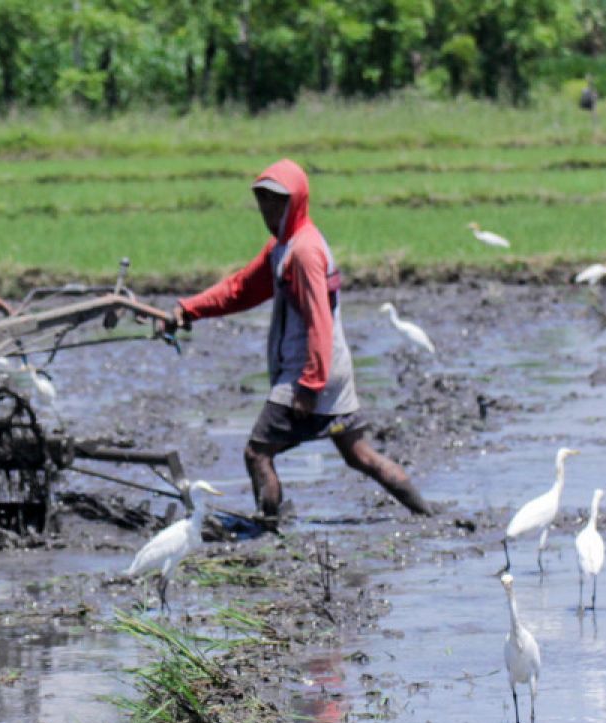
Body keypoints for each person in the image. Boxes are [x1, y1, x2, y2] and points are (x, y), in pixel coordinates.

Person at [170, 159, 432, 527]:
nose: (268, 209)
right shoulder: (283, 245)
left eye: (277, 201)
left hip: (310, 372)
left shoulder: (305, 251)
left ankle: (267, 525)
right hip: (328, 370)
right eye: (262, 200)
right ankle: (429, 514)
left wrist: (309, 384)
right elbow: (242, 288)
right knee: (359, 455)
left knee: (257, 452)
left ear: (297, 202)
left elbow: (319, 320)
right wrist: (189, 309)